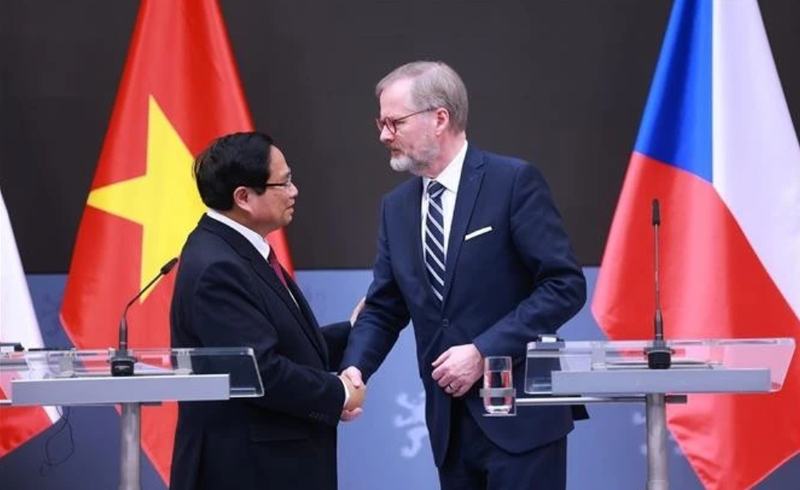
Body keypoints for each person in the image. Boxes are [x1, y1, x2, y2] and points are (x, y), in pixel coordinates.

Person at [341, 61, 587, 490]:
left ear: (440, 118)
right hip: (450, 424)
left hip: (521, 418)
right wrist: (354, 369)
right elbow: (384, 306)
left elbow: (564, 285)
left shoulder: (512, 182)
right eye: (380, 123)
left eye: (394, 122)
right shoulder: (396, 208)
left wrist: (484, 350)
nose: (383, 135)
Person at [170, 131, 364, 490]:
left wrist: (351, 330)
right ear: (243, 197)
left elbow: (281, 346)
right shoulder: (218, 266)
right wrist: (337, 392)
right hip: (248, 471)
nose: (294, 191)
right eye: (284, 182)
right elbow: (260, 372)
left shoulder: (236, 250)